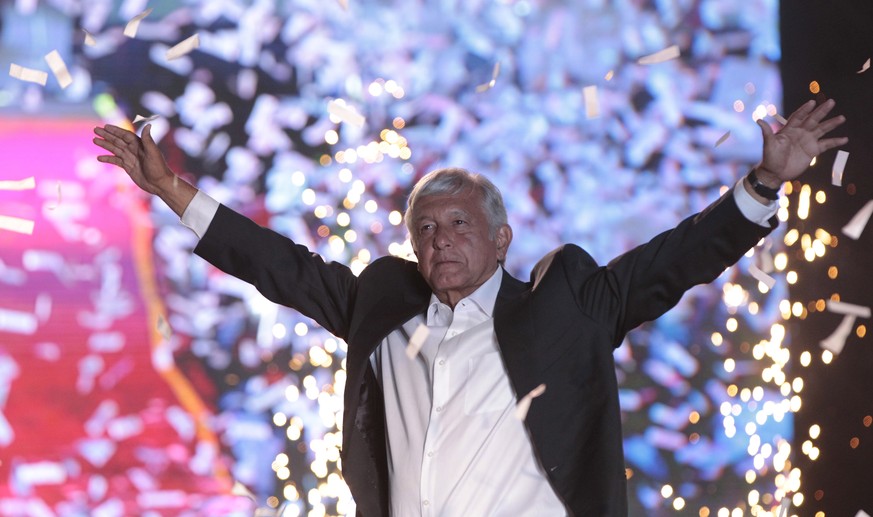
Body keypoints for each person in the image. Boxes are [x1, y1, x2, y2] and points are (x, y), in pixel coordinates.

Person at [93, 99, 847, 516]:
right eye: (424, 227)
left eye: (458, 224)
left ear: (500, 239)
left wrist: (760, 182)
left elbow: (671, 262)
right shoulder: (381, 306)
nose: (439, 239)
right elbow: (276, 266)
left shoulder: (567, 303)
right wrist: (171, 190)